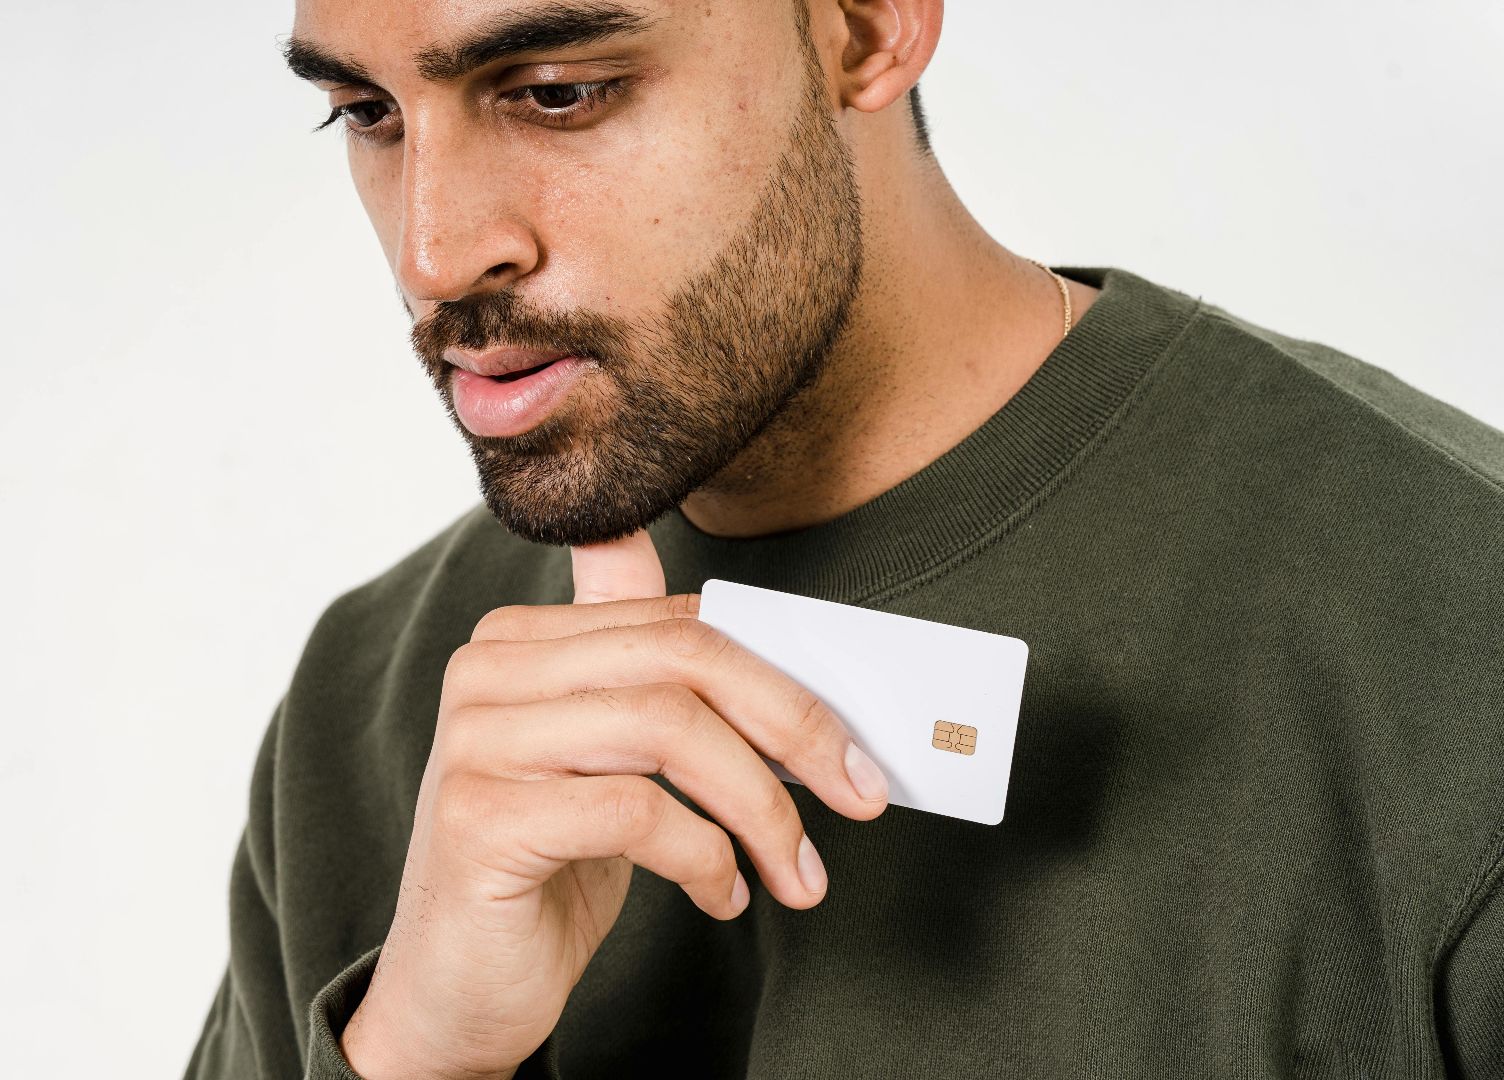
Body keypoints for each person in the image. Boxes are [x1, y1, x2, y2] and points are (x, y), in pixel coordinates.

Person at [184, 1, 1504, 1076]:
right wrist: (420, 1059)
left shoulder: (1453, 640)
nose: (435, 250)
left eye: (557, 90)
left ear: (866, 29)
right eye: (366, 112)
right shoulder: (371, 704)